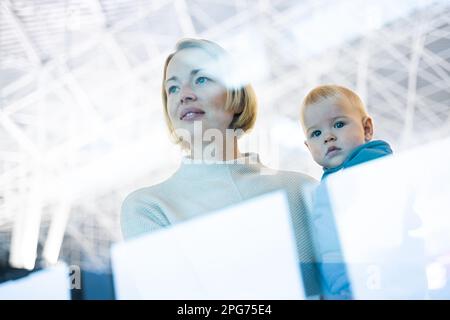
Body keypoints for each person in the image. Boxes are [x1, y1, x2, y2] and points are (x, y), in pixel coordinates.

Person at [121, 38, 320, 296]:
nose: (184, 95)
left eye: (201, 79)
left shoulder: (300, 190)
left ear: (236, 97)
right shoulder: (148, 207)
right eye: (172, 88)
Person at [300, 84, 393, 299]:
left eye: (339, 124)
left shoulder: (370, 170)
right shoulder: (332, 181)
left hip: (360, 283)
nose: (328, 137)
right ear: (308, 147)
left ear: (367, 129)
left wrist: (341, 282)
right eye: (316, 133)